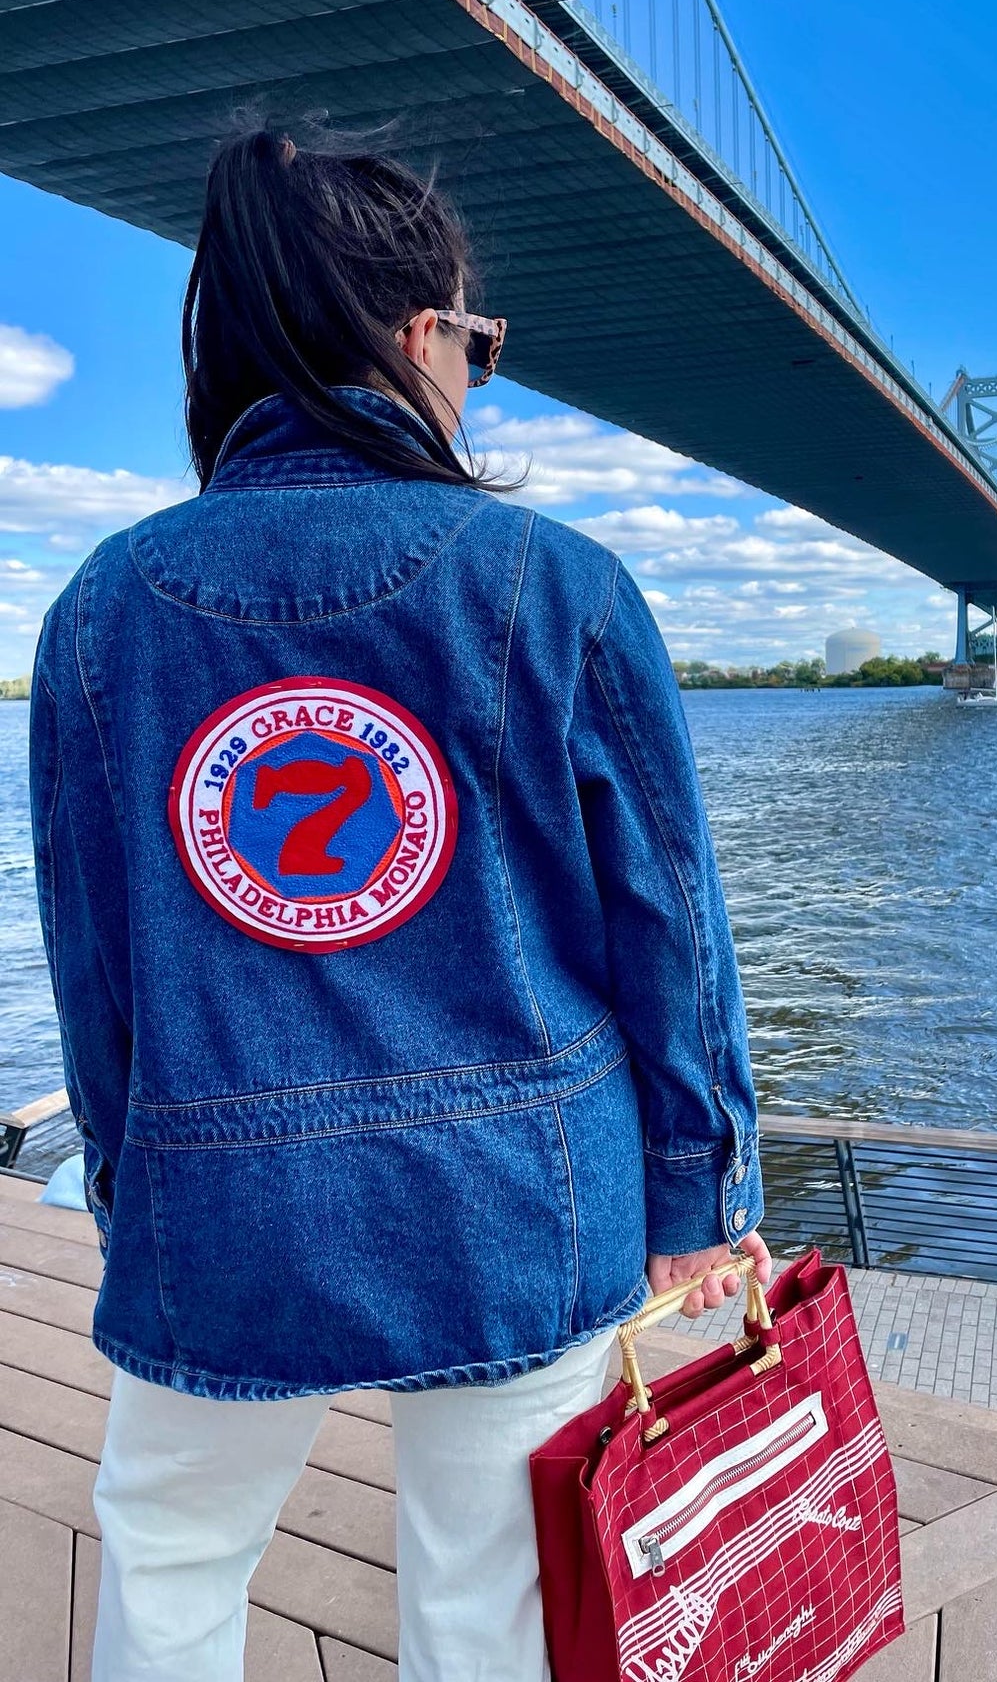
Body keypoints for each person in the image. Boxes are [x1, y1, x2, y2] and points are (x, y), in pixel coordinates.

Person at [29, 125, 769, 1682]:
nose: (474, 378)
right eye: (480, 348)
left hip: (219, 1200)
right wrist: (699, 1196)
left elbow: (95, 969)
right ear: (423, 337)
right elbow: (672, 944)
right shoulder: (558, 585)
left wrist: (134, 1184)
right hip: (521, 1198)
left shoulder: (98, 609)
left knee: (167, 1558)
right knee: (490, 1590)